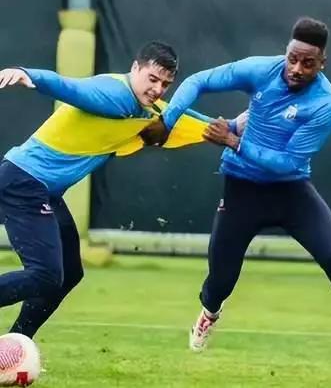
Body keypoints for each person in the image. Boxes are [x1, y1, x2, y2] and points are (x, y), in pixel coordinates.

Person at [148, 17, 331, 378]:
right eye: (293, 58)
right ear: (286, 52)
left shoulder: (325, 104)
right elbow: (198, 81)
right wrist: (167, 123)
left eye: (308, 63)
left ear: (322, 64)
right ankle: (209, 313)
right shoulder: (262, 70)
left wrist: (233, 140)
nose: (297, 69)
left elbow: (287, 162)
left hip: (291, 193)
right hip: (241, 190)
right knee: (221, 281)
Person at [0, 41, 219, 338]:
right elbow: (70, 88)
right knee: (45, 275)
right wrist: (29, 74)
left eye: (165, 84)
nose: (157, 89)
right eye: (152, 79)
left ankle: (15, 345)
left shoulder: (145, 106)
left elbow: (182, 117)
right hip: (23, 182)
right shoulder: (114, 93)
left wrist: (231, 127)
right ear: (135, 68)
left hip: (42, 189)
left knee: (68, 274)